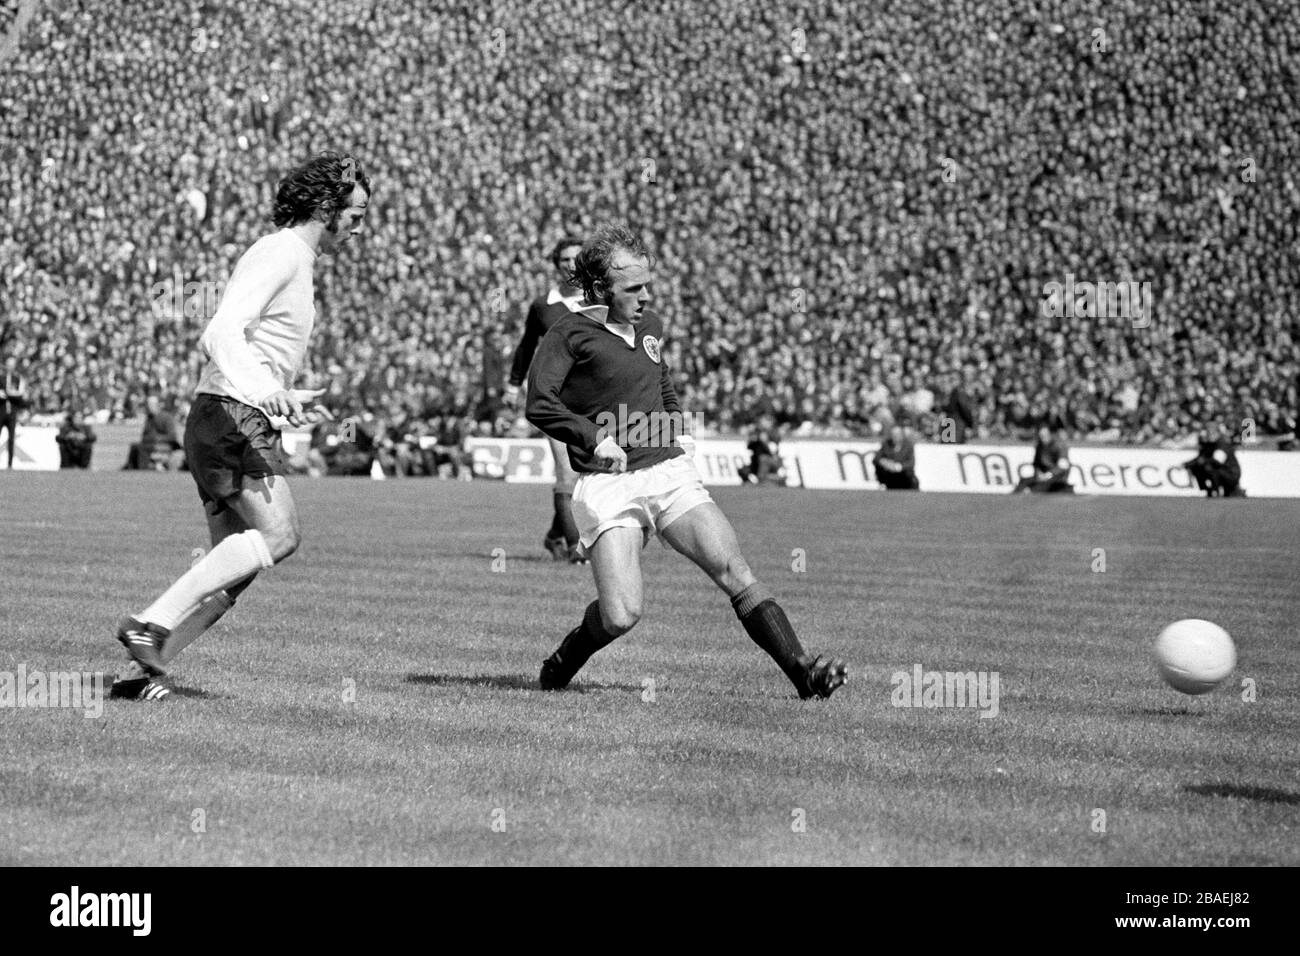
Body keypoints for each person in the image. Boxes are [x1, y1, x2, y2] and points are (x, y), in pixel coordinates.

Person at [525, 223, 847, 699]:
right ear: (600, 289)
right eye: (634, 288)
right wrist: (594, 438)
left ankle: (804, 673)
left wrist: (677, 425)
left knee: (734, 570)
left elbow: (662, 379)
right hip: (608, 482)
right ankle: (563, 660)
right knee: (621, 615)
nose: (646, 295)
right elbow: (539, 402)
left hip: (667, 471)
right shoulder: (568, 334)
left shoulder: (650, 327)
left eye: (648, 284)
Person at [111, 152, 370, 701]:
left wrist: (284, 395)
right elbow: (221, 330)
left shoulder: (296, 258)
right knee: (281, 535)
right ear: (327, 206)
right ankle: (148, 623)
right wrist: (263, 392)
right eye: (357, 213)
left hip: (230, 412)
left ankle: (136, 679)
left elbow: (254, 348)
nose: (359, 226)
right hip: (232, 413)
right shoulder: (281, 252)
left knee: (234, 570)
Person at [507, 236, 587, 562]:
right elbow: (527, 347)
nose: (571, 264)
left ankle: (554, 535)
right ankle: (575, 548)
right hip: (551, 399)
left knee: (584, 474)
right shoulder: (544, 306)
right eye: (565, 259)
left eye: (576, 258)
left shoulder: (600, 302)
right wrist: (513, 386)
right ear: (556, 265)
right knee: (567, 472)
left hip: (590, 399)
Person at [1013, 424, 1075, 494]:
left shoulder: (1060, 446)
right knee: (1024, 481)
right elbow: (1036, 464)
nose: (1043, 438)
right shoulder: (1039, 447)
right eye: (1041, 436)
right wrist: (1038, 473)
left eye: (1045, 435)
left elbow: (1062, 467)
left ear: (1050, 434)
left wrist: (1047, 475)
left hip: (1056, 478)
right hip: (1043, 476)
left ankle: (1030, 492)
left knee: (1040, 486)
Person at [1183, 427, 1245, 497]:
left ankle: (1216, 491)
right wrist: (1186, 464)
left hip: (1231, 474)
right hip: (1222, 472)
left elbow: (1216, 461)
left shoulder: (1222, 444)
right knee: (1196, 468)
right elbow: (1200, 458)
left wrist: (1203, 461)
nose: (1210, 435)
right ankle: (1208, 490)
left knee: (1210, 468)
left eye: (1212, 433)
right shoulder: (1210, 445)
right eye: (1209, 433)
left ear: (1218, 434)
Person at [874, 424, 919, 489]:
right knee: (879, 467)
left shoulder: (908, 445)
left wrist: (897, 467)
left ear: (901, 435)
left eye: (897, 434)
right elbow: (876, 458)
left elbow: (911, 463)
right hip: (889, 474)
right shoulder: (886, 444)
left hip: (903, 475)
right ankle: (883, 485)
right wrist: (885, 462)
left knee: (913, 480)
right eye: (893, 434)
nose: (895, 437)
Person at [1, 356, 27, 469]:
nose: (10, 366)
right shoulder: (1, 378)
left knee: (12, 438)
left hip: (12, 412)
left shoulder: (18, 379)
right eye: (8, 364)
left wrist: (10, 393)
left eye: (12, 364)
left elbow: (20, 393)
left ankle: (10, 464)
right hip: (1, 411)